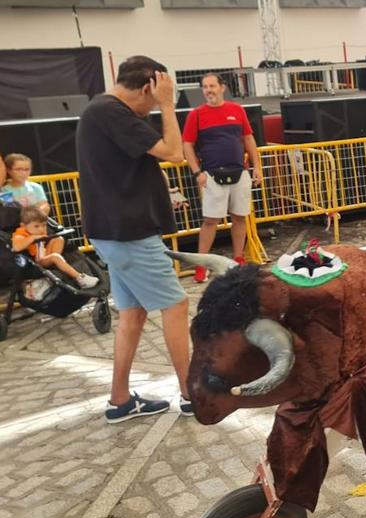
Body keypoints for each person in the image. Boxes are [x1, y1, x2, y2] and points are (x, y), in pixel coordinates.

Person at [76, 55, 192, 423]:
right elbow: (174, 153)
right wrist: (169, 106)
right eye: (155, 96)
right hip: (127, 232)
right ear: (147, 88)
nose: (154, 106)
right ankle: (192, 395)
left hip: (116, 231)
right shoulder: (111, 112)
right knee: (175, 305)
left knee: (133, 313)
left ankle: (120, 399)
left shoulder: (103, 111)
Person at [182, 74, 263, 283]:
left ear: (222, 88)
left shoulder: (237, 110)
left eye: (212, 86)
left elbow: (248, 138)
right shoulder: (196, 115)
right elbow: (187, 144)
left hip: (240, 173)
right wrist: (197, 172)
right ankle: (202, 265)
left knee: (239, 217)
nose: (208, 90)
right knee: (210, 221)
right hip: (211, 175)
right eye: (205, 87)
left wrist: (257, 167)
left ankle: (238, 259)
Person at [12, 205, 98, 289]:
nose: (41, 229)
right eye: (36, 226)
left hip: (44, 254)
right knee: (55, 257)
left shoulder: (37, 231)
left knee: (59, 239)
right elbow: (16, 247)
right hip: (36, 262)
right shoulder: (20, 233)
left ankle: (58, 264)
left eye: (44, 225)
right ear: (23, 225)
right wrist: (32, 238)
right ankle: (80, 278)